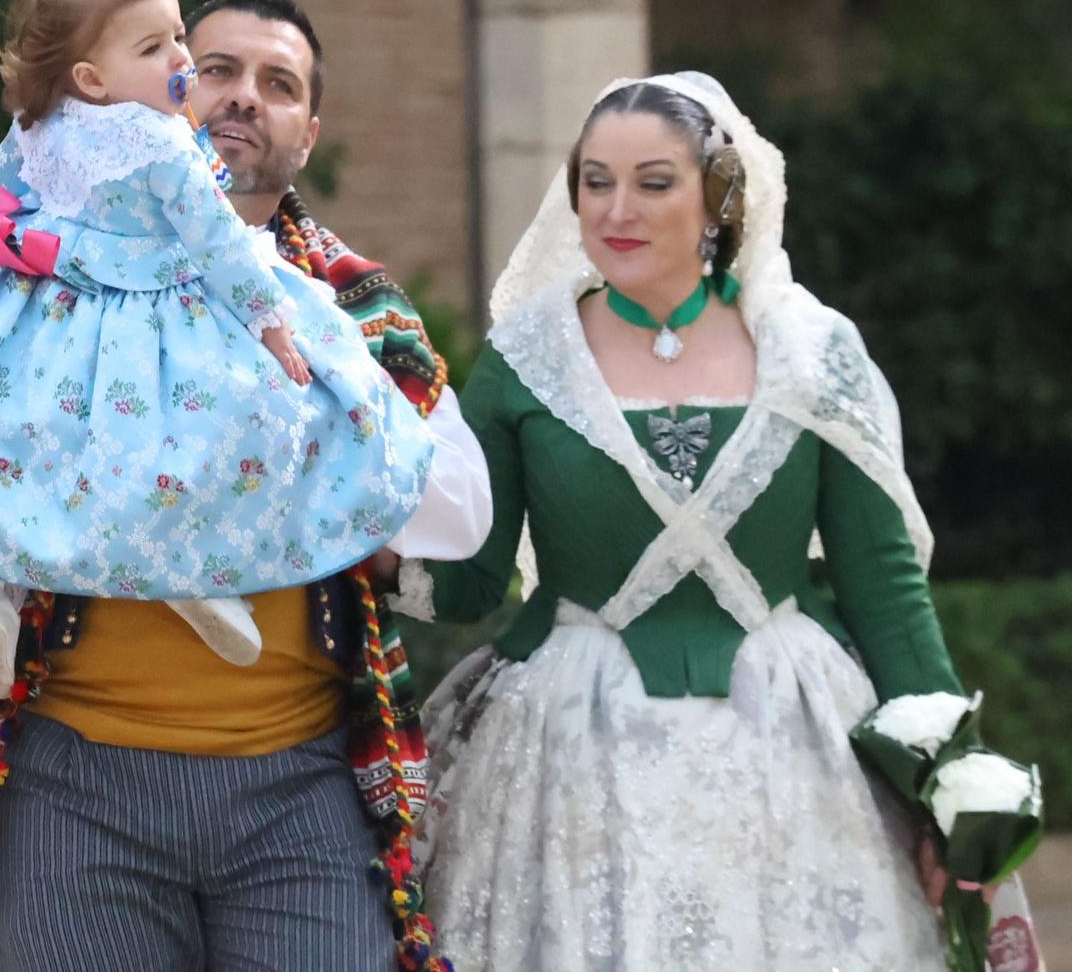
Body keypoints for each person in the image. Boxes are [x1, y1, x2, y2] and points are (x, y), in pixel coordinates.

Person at [0, 0, 489, 972]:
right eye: (215, 70)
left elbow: (457, 512)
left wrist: (285, 423)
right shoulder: (41, 265)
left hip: (299, 789)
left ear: (309, 131)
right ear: (153, 93)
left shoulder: (354, 308)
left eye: (278, 83)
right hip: (70, 781)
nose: (244, 96)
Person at [392, 72, 967, 969]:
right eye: (595, 180)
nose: (617, 208)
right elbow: (469, 577)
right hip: (573, 756)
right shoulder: (526, 357)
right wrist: (352, 527)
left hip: (791, 746)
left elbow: (885, 591)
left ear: (717, 199)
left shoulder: (812, 350)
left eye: (654, 181)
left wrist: (950, 783)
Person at [0, 0, 438, 684]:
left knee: (18, 432)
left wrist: (3, 236)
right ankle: (197, 571)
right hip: (147, 309)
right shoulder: (167, 145)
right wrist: (271, 320)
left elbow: (8, 179)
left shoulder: (42, 120)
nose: (180, 56)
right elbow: (220, 243)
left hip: (47, 306)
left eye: (179, 36)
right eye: (156, 47)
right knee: (210, 420)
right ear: (93, 76)